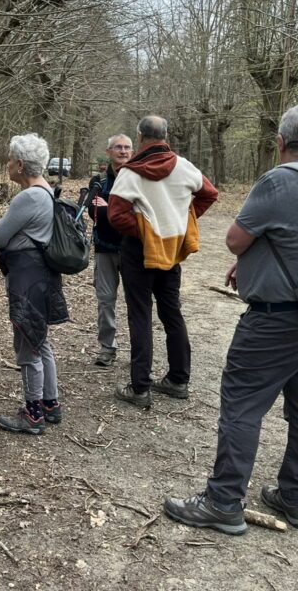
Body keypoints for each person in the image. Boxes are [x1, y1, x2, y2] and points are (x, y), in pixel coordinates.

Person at [164, 104, 298, 535]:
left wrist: (251, 256)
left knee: (242, 404)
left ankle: (223, 501)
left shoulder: (279, 180)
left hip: (276, 319)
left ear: (281, 141)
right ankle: (297, 497)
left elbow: (235, 240)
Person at [107, 116, 218, 407]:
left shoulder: (130, 172)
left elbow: (116, 215)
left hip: (138, 251)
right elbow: (209, 194)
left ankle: (140, 388)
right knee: (171, 312)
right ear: (166, 135)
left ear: (140, 137)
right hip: (172, 248)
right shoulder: (185, 167)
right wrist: (182, 221)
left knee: (140, 315)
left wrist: (146, 231)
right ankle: (178, 380)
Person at [0, 133, 70, 435]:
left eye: (11, 160)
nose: (7, 164)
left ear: (21, 165)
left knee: (27, 343)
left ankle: (33, 413)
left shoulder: (29, 197)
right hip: (42, 276)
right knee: (39, 339)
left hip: (27, 279)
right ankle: (50, 403)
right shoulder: (46, 192)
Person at [88, 134, 133, 367]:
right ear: (109, 152)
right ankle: (107, 347)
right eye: (118, 147)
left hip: (133, 249)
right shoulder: (99, 181)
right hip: (104, 248)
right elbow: (92, 211)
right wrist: (117, 211)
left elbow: (139, 213)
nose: (123, 151)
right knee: (105, 300)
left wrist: (108, 208)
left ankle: (139, 351)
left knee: (137, 302)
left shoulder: (139, 179)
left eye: (127, 147)